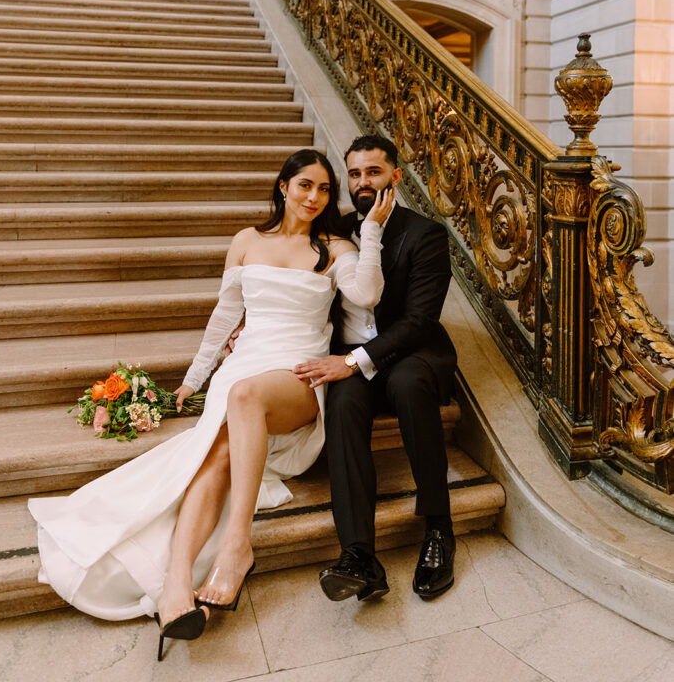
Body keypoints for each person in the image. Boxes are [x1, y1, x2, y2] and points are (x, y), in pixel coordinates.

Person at [29, 149, 392, 660]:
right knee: (217, 450)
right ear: (283, 186)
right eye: (305, 185)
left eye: (325, 189)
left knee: (245, 398)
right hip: (243, 366)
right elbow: (225, 317)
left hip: (296, 377)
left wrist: (371, 230)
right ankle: (175, 587)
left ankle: (236, 546)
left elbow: (368, 295)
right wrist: (194, 379)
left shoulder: (334, 247)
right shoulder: (246, 241)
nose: (315, 197)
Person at [294, 135, 457, 601]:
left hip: (412, 353)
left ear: (395, 177)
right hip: (349, 358)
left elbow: (419, 321)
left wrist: (352, 361)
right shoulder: (334, 233)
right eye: (355, 174)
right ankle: (359, 554)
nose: (363, 182)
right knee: (341, 404)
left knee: (408, 384)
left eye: (374, 172)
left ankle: (439, 529)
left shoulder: (425, 234)